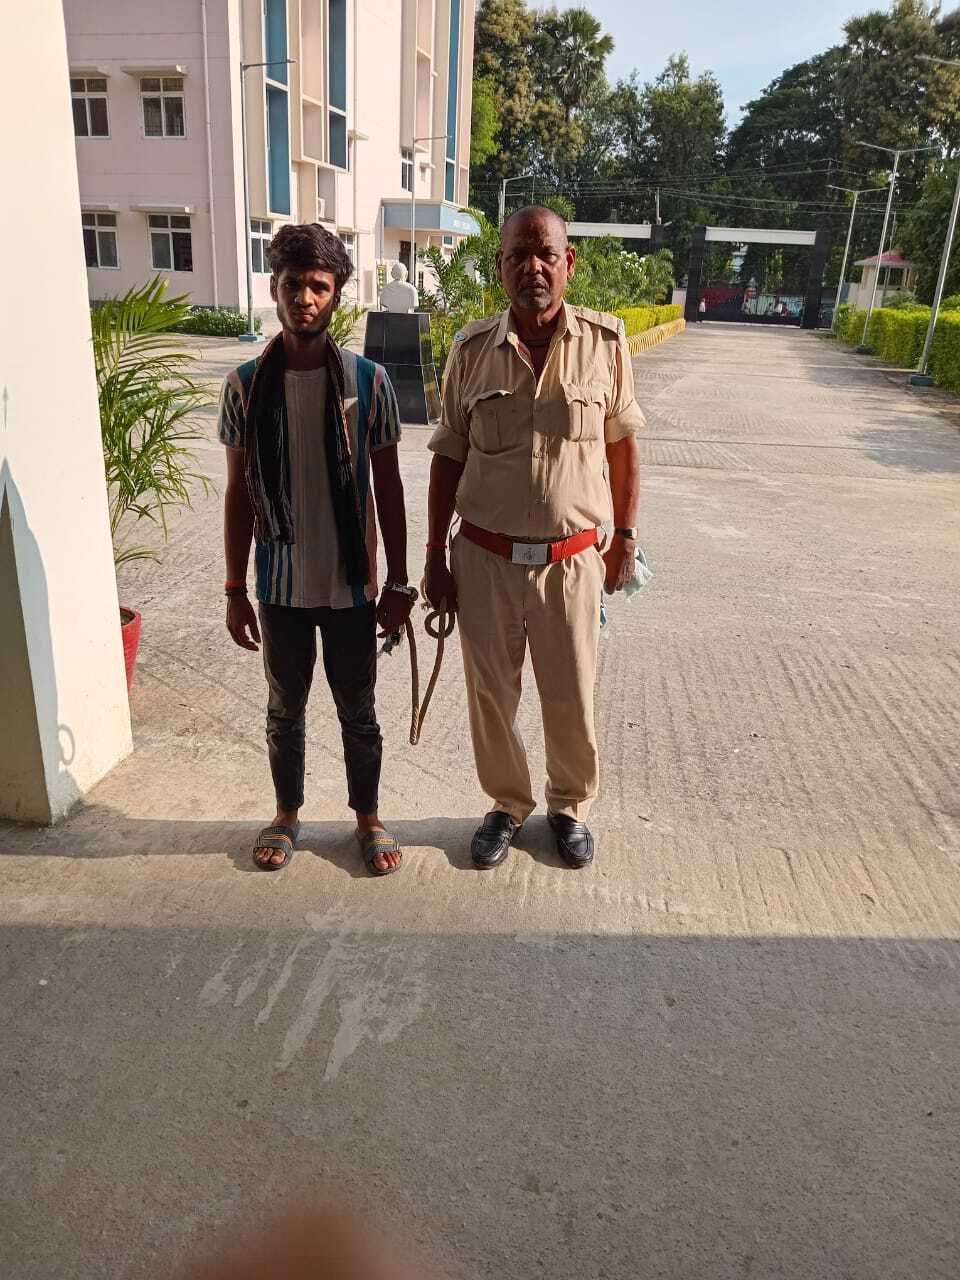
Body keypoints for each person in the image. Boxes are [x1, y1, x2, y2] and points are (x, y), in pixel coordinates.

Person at [424, 206, 644, 870]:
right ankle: (507, 803)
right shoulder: (470, 351)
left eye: (546, 254)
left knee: (572, 693)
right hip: (484, 558)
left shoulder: (605, 344)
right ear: (500, 267)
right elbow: (448, 456)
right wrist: (433, 556)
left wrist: (626, 539)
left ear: (568, 263)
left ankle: (569, 807)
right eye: (518, 255)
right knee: (491, 696)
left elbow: (623, 449)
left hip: (571, 562)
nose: (533, 267)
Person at [219, 224, 414, 875]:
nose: (305, 298)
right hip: (279, 587)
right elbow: (238, 493)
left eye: (319, 287)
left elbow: (389, 488)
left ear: (337, 295)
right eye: (293, 284)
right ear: (275, 288)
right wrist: (234, 589)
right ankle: (287, 814)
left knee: (360, 712)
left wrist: (400, 582)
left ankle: (369, 818)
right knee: (285, 710)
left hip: (352, 587)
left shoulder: (369, 382)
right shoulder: (245, 386)